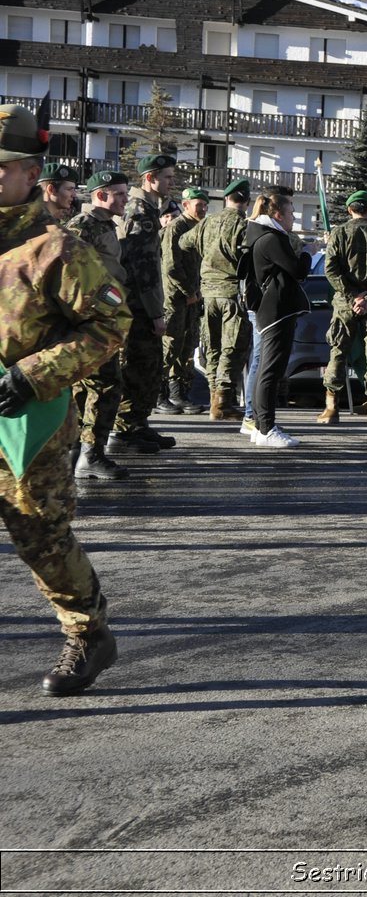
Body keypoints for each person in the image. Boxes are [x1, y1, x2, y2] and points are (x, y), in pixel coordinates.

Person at [0, 103, 131, 694]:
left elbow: (110, 324)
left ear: (32, 173)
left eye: (1, 168)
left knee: (40, 534)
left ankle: (88, 633)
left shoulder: (56, 249)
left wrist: (33, 374)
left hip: (30, 417)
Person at [66, 172, 134, 480]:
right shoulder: (83, 227)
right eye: (119, 194)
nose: (125, 199)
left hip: (104, 315)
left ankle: (80, 453)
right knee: (104, 385)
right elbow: (70, 274)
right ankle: (89, 454)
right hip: (90, 319)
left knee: (94, 387)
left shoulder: (105, 225)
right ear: (100, 195)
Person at [111, 154, 175, 453]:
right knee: (138, 366)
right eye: (167, 177)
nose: (171, 183)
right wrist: (154, 313)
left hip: (141, 304)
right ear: (150, 179)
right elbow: (142, 268)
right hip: (138, 306)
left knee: (148, 367)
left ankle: (138, 423)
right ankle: (126, 428)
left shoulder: (147, 209)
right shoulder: (140, 212)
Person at [319, 189, 367, 425]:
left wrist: (352, 296)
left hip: (345, 304)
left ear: (350, 209)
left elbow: (330, 269)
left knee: (338, 352)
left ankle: (331, 408)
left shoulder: (339, 234)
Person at [242, 191, 309, 449]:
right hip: (276, 311)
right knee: (270, 371)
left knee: (265, 370)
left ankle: (261, 426)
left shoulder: (262, 234)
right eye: (291, 212)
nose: (293, 217)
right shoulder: (271, 238)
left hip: (272, 311)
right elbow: (298, 271)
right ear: (278, 214)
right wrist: (306, 253)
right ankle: (267, 427)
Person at [181, 177, 252, 421]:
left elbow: (184, 242)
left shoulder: (208, 222)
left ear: (226, 199)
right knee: (233, 347)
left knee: (212, 347)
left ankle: (214, 397)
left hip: (208, 294)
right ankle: (222, 400)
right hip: (231, 293)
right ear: (247, 201)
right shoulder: (243, 225)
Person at [155, 186, 208, 416]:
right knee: (170, 346)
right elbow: (171, 266)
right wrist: (188, 292)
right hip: (176, 299)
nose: (203, 209)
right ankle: (158, 394)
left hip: (192, 298)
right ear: (186, 206)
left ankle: (179, 394)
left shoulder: (198, 228)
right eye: (199, 205)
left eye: (205, 205)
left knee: (187, 347)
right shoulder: (176, 228)